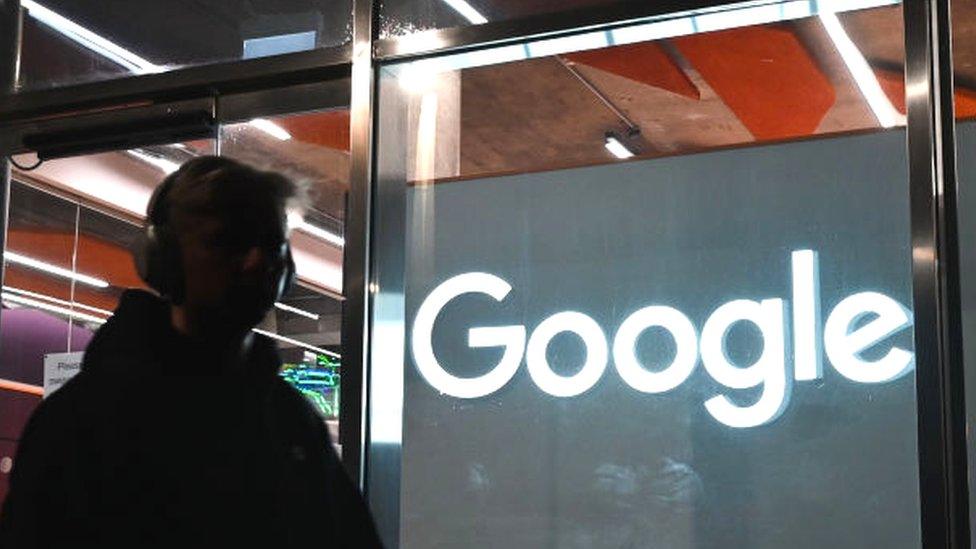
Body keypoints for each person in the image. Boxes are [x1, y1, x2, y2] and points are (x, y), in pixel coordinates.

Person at [0, 157, 382, 548]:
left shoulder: (291, 421)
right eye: (227, 241)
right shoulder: (82, 421)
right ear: (164, 257)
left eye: (271, 244)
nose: (256, 261)